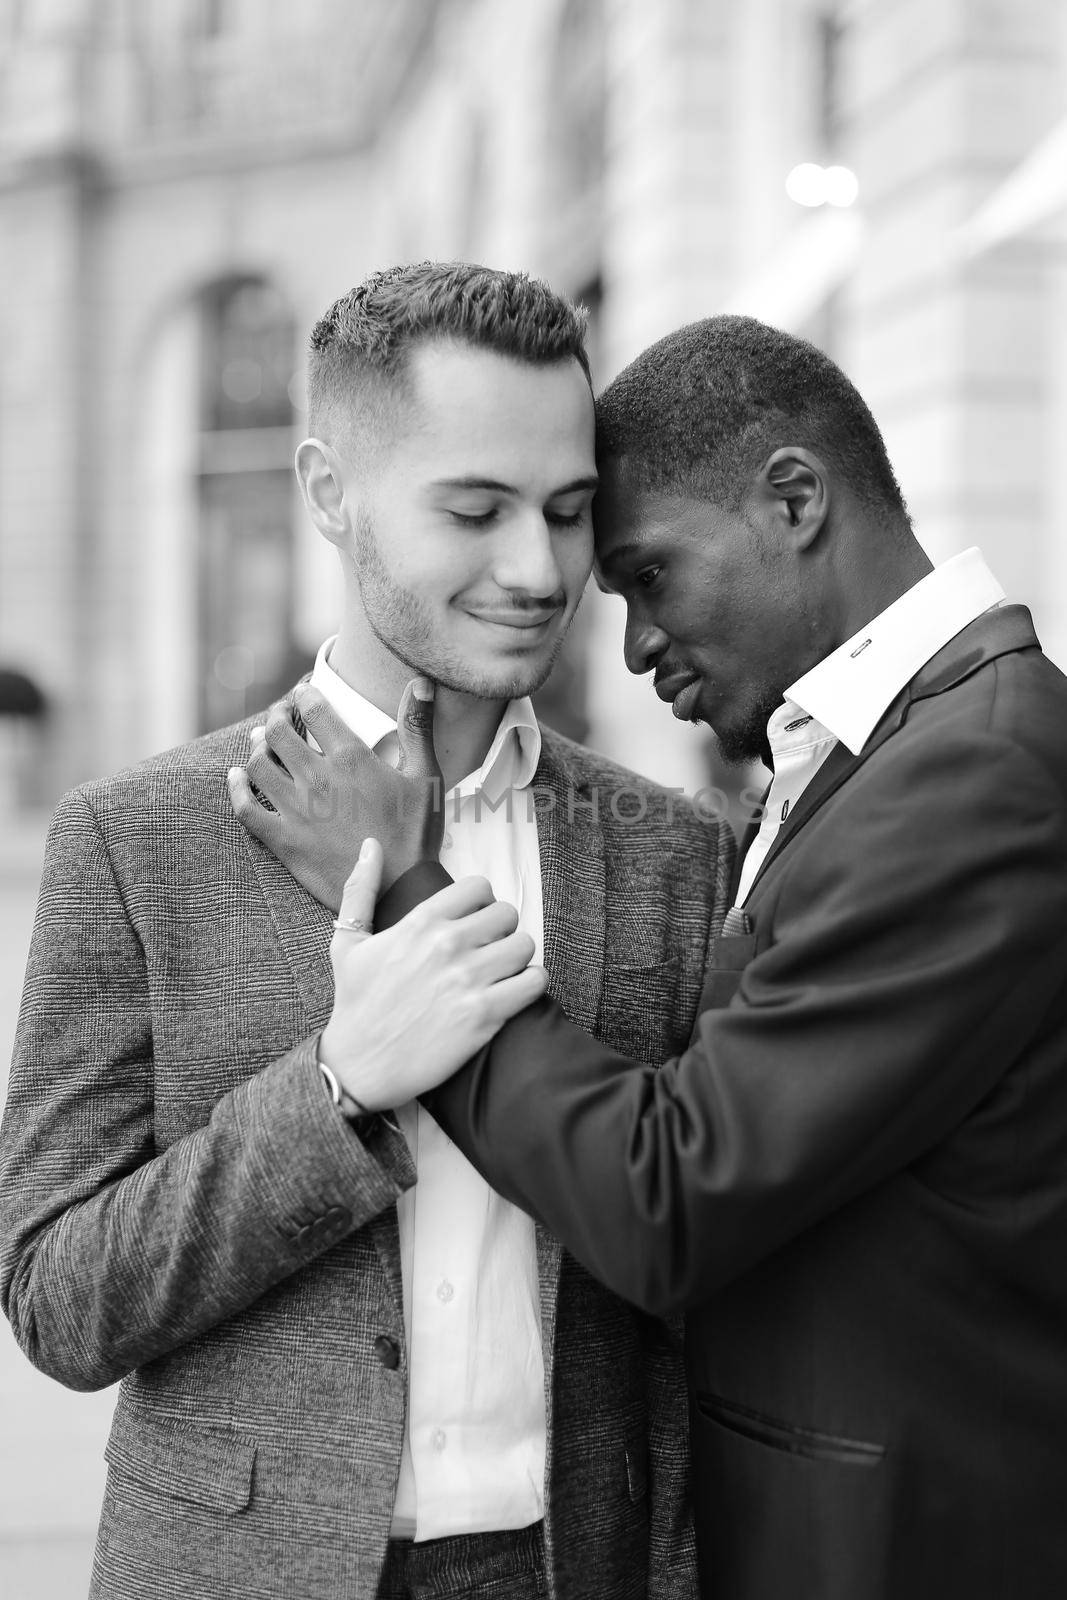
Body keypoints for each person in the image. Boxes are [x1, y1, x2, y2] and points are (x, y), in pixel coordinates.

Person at [239, 314, 1067, 1600]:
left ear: (792, 499)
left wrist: (404, 890)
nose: (626, 643)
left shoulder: (973, 772)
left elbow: (669, 1196)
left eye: (648, 576)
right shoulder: (883, 750)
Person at [0, 264, 733, 1600]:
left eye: (568, 513)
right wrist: (331, 1090)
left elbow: (700, 1272)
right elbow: (58, 1298)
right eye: (475, 509)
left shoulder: (673, 852)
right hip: (240, 1567)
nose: (537, 570)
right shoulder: (137, 838)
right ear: (330, 491)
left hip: (579, 1567)